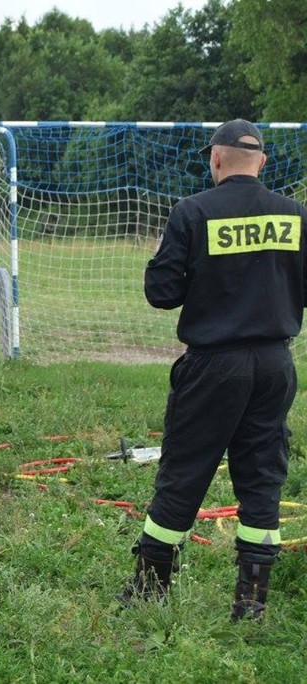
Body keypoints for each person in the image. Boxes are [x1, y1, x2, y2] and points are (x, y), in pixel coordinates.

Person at [118, 119, 307, 621]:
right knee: (262, 479)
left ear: (216, 160)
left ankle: (150, 589)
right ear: (261, 162)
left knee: (183, 472)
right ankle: (251, 605)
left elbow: (162, 294)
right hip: (274, 364)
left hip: (213, 365)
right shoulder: (295, 216)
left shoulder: (193, 212)